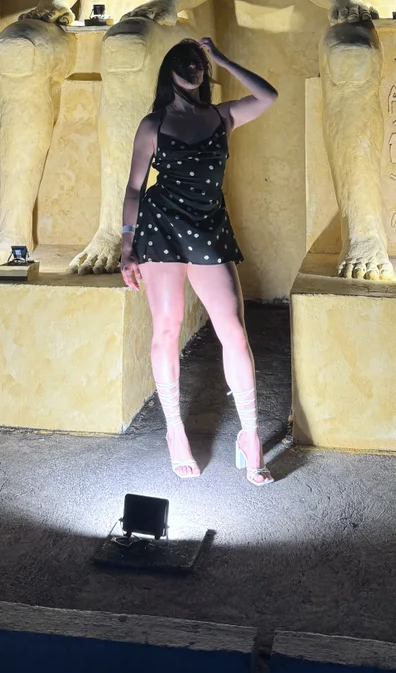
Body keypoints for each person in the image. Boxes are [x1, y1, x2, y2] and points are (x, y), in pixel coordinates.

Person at [120, 37, 277, 484]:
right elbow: (134, 187)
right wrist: (127, 246)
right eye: (185, 63)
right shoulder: (154, 123)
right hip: (161, 225)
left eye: (199, 64)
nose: (194, 69)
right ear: (168, 71)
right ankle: (175, 432)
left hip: (208, 226)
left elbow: (267, 96)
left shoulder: (222, 116)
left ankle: (250, 436)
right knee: (167, 327)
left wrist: (222, 58)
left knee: (234, 331)